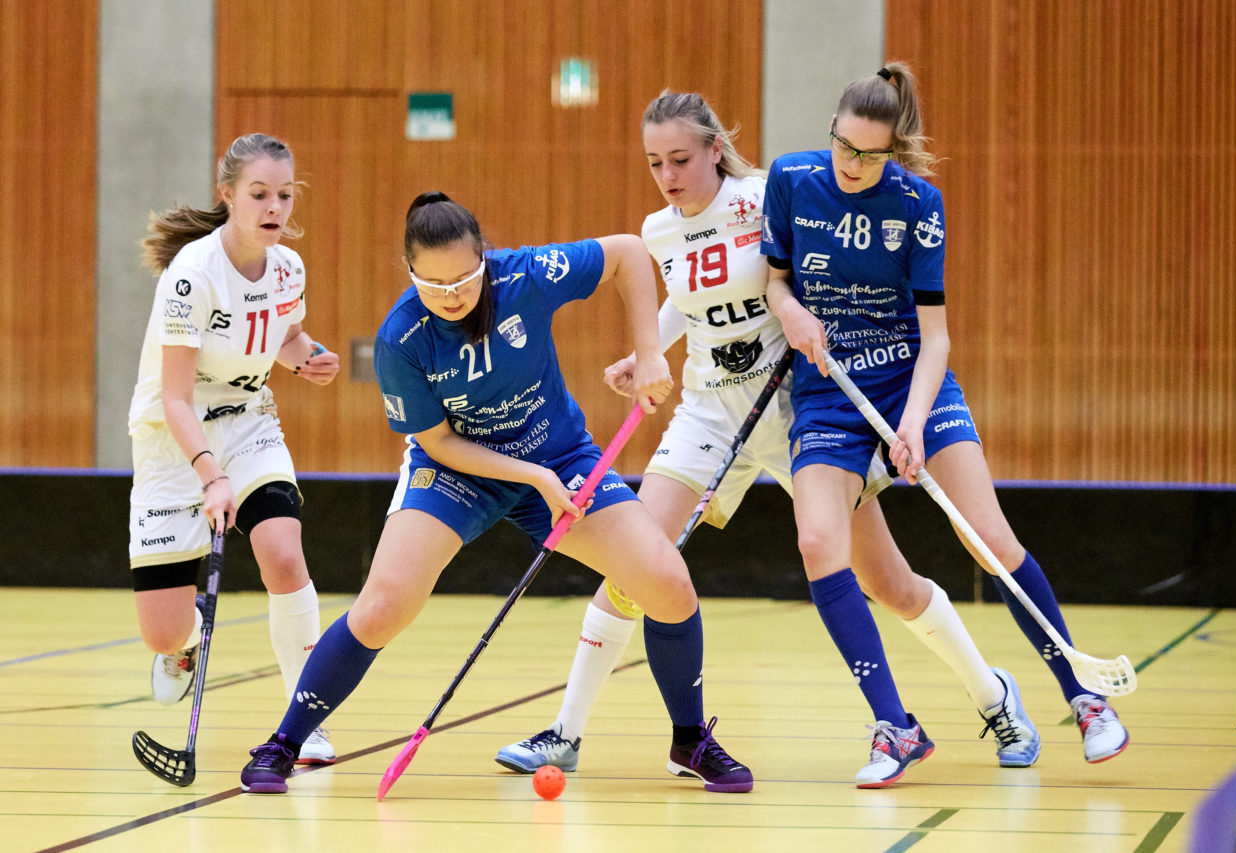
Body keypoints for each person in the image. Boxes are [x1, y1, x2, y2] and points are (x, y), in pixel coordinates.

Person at [496, 91, 1039, 789]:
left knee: (889, 582)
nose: (667, 175)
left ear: (715, 149)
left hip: (796, 411)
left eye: (680, 159)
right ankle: (565, 732)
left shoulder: (765, 198)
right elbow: (685, 300)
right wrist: (648, 351)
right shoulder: (658, 230)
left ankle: (995, 697)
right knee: (634, 562)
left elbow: (812, 276)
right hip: (707, 414)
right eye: (655, 162)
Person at [239, 191, 754, 795]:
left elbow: (628, 254)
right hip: (457, 470)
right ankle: (285, 742)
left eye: (464, 279)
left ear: (484, 258)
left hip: (559, 455)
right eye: (433, 284)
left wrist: (649, 354)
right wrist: (532, 478)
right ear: (410, 272)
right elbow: (437, 440)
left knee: (666, 582)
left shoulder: (526, 276)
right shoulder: (402, 339)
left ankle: (689, 740)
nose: (451, 295)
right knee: (382, 606)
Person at [762, 64, 1130, 783]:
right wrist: (791, 309)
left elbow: (936, 336)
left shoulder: (918, 203)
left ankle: (1085, 698)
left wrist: (911, 424)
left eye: (870, 154)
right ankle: (894, 727)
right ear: (831, 129)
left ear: (894, 150)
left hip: (912, 381)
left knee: (988, 539)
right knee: (817, 543)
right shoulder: (792, 179)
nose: (852, 164)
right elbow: (776, 280)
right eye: (844, 145)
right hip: (830, 395)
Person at [128, 132, 342, 765]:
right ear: (228, 194)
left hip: (248, 422)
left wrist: (307, 359)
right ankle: (187, 639)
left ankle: (303, 723)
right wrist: (209, 474)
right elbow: (175, 398)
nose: (274, 207)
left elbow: (286, 336)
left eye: (284, 195)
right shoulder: (192, 274)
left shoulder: (288, 268)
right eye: (259, 194)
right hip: (174, 439)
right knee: (161, 632)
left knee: (283, 554)